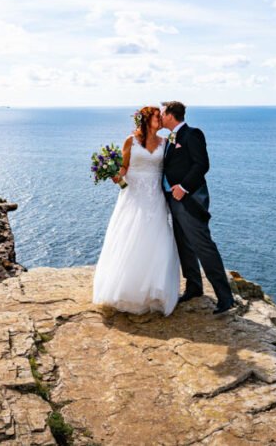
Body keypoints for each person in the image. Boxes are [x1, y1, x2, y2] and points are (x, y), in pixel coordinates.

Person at [92, 106, 180, 315]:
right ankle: (126, 289)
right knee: (129, 236)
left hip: (155, 197)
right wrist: (115, 175)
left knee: (157, 238)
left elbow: (170, 168)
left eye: (161, 116)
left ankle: (153, 291)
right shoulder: (130, 141)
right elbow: (124, 168)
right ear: (146, 119)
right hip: (133, 195)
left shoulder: (165, 143)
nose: (160, 119)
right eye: (156, 116)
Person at [160, 100, 236, 315]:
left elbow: (202, 164)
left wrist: (183, 187)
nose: (160, 116)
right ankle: (194, 287)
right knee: (184, 244)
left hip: (189, 200)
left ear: (171, 114)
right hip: (172, 200)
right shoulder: (169, 140)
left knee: (203, 246)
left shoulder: (192, 134)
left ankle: (225, 298)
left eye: (162, 113)